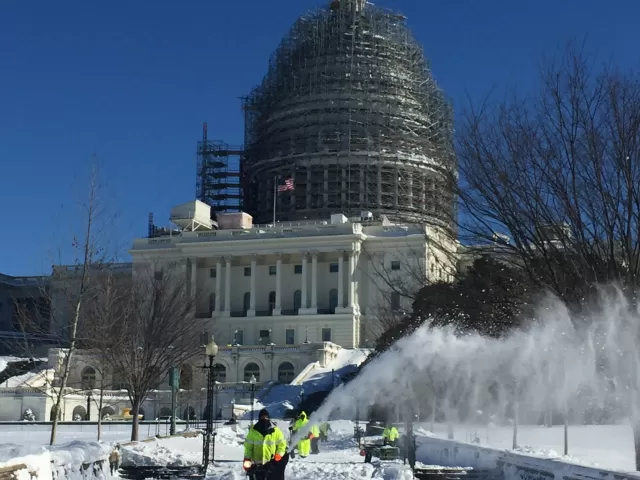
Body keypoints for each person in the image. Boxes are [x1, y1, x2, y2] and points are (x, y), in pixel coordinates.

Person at [244, 408, 287, 480]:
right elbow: (248, 447)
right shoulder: (253, 431)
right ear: (259, 418)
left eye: (266, 417)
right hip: (257, 466)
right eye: (262, 417)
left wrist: (277, 457)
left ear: (269, 418)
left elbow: (282, 445)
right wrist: (247, 459)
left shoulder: (275, 431)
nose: (264, 419)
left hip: (271, 465)